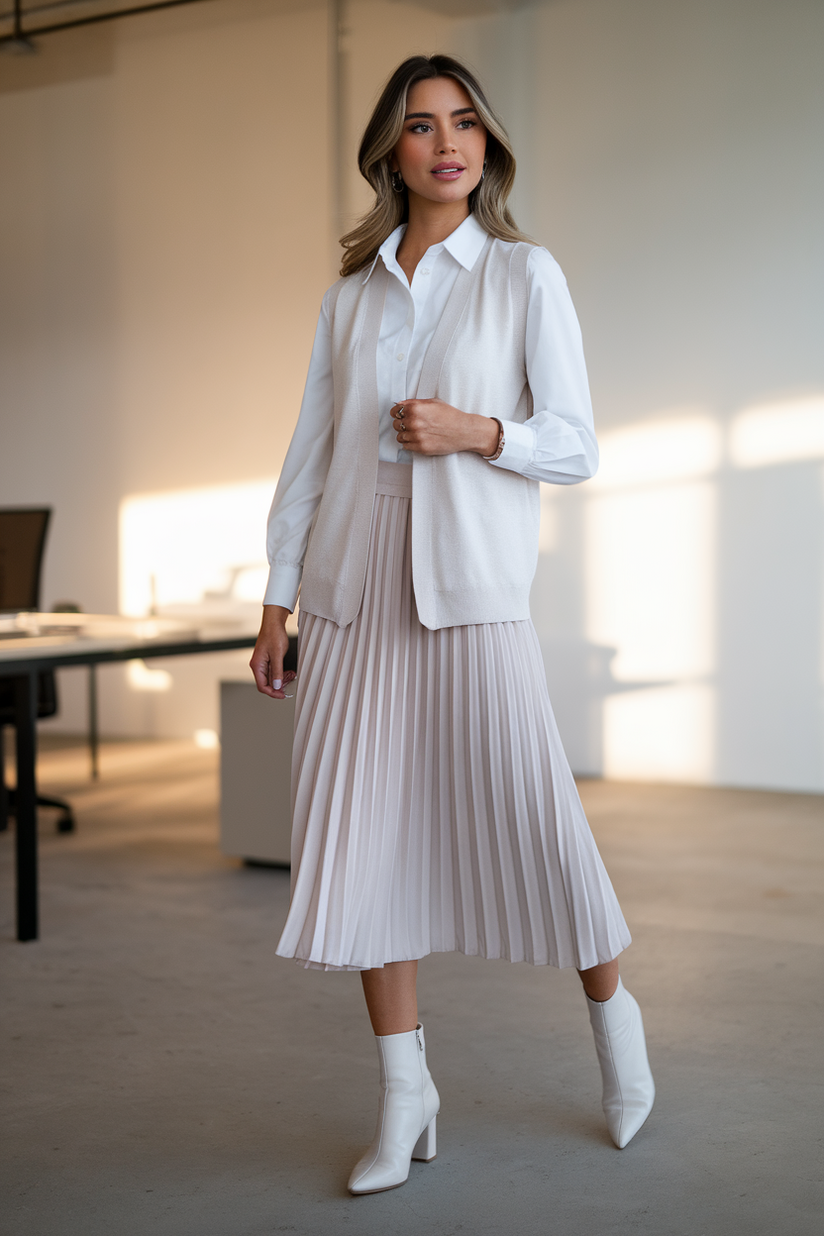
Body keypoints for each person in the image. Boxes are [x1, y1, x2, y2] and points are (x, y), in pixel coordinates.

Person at [250, 53, 654, 1196]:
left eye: (463, 122)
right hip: (349, 584)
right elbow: (306, 461)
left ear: (485, 143)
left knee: (537, 823)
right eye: (420, 126)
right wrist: (276, 599)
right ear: (389, 150)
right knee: (363, 844)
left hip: (469, 591)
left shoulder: (525, 276)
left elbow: (573, 444)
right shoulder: (350, 295)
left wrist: (479, 432)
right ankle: (404, 1096)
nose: (445, 143)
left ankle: (618, 1036)